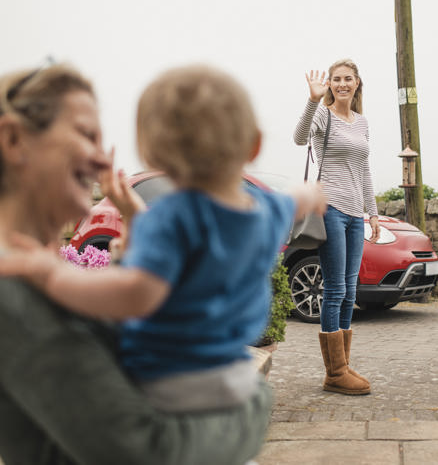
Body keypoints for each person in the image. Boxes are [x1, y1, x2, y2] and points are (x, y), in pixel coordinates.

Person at [0, 62, 323, 465]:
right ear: (14, 140)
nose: (104, 159)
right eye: (87, 136)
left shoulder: (35, 273)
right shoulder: (13, 287)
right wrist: (254, 405)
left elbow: (132, 311)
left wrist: (139, 228)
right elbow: (142, 450)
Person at [293, 59, 380, 396]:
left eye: (348, 79)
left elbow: (365, 169)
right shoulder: (323, 114)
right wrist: (313, 99)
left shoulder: (361, 122)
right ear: (329, 84)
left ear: (357, 83)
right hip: (329, 208)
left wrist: (372, 212)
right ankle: (334, 373)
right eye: (336, 79)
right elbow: (300, 138)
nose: (342, 84)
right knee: (335, 291)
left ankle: (342, 364)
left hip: (356, 214)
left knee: (350, 291)